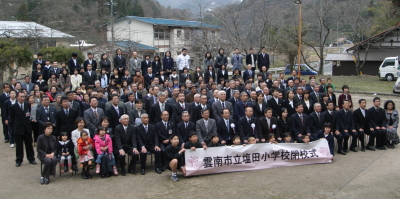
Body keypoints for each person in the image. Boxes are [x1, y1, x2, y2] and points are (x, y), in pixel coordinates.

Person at [10, 91, 36, 167]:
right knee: (19, 146)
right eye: (21, 96)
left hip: (27, 128)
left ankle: (31, 159)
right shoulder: (13, 107)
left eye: (23, 96)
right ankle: (19, 160)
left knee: (29, 145)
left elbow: (28, 114)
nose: (22, 98)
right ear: (17, 97)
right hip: (18, 129)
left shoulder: (28, 105)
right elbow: (12, 118)